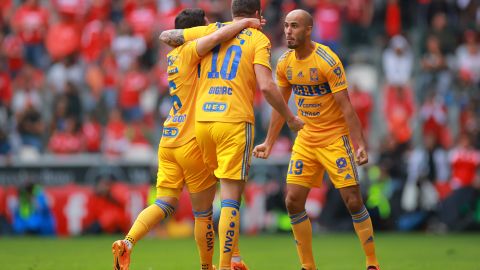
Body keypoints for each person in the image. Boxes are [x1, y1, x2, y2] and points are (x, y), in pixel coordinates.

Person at [112, 9, 265, 270]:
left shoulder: (173, 57)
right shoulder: (193, 51)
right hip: (192, 141)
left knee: (164, 202)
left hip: (169, 137)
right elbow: (216, 36)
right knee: (204, 213)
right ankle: (208, 266)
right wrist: (244, 23)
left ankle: (127, 242)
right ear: (199, 29)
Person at [159, 1, 304, 269]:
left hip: (202, 123)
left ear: (232, 11)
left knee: (217, 199)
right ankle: (226, 265)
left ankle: (234, 257)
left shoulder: (214, 29)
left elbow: (167, 36)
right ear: (258, 15)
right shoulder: (258, 38)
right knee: (230, 199)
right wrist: (290, 117)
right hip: (233, 121)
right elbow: (267, 86)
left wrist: (234, 25)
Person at [252, 9, 380, 270]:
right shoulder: (285, 62)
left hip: (334, 138)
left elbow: (347, 108)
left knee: (353, 200)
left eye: (295, 26)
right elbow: (281, 106)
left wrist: (361, 145)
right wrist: (269, 142)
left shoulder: (327, 60)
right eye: (286, 26)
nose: (288, 31)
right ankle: (308, 266)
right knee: (292, 201)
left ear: (308, 30)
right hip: (306, 138)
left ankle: (372, 262)